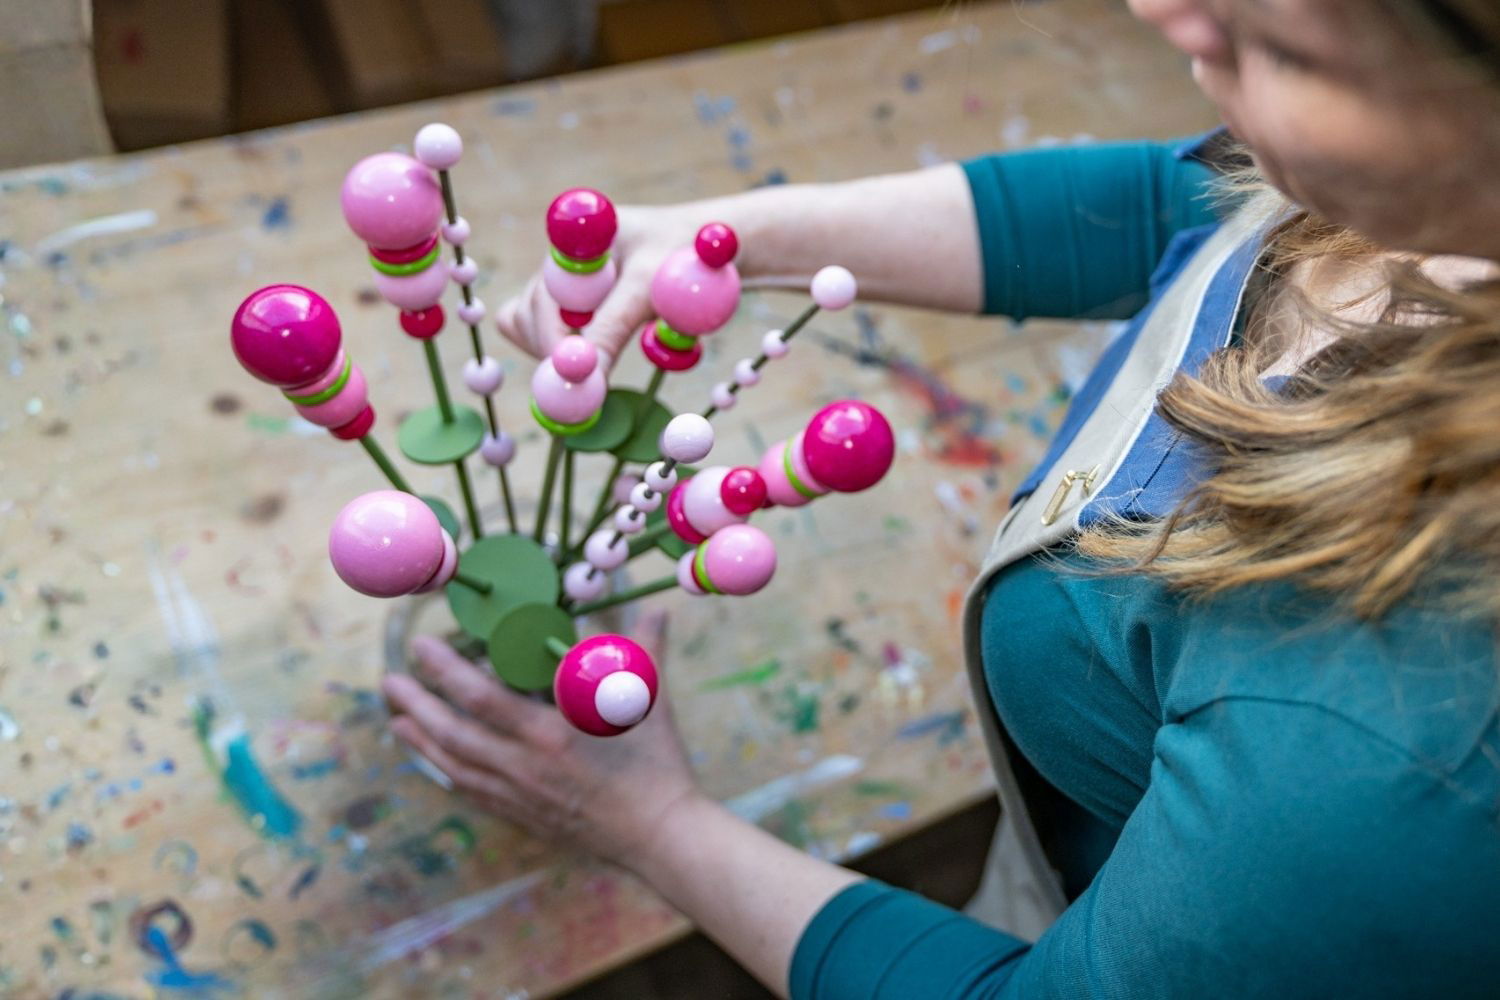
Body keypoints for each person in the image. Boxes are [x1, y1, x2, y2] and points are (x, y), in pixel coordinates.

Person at [382, 0, 1500, 995]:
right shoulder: (1406, 192)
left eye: (1288, 49)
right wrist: (742, 242)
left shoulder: (1384, 752)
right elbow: (1204, 203)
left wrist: (649, 823)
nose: (1158, 8)